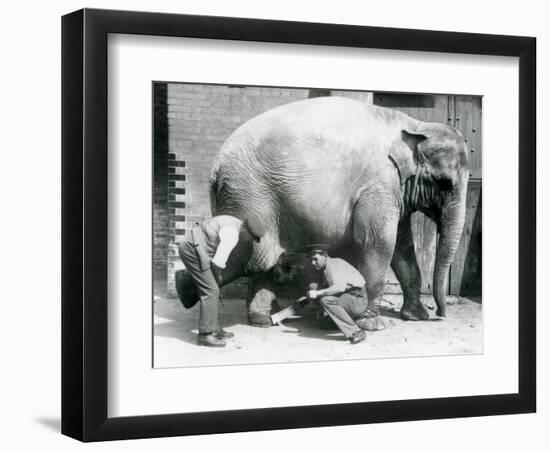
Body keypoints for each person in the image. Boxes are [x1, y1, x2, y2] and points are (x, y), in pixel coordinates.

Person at [179, 214, 265, 347]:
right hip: (191, 249)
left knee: (212, 288)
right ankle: (205, 335)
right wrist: (217, 279)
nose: (250, 241)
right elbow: (217, 264)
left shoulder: (236, 222)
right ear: (245, 230)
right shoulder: (232, 234)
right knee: (211, 290)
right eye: (251, 237)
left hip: (198, 248)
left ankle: (213, 328)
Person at [305, 244, 372, 344]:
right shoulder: (328, 267)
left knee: (325, 300)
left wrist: (317, 293)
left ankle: (355, 332)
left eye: (315, 259)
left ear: (325, 255)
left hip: (357, 299)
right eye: (311, 260)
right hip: (347, 296)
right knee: (313, 287)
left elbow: (339, 288)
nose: (313, 263)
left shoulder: (334, 265)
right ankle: (334, 320)